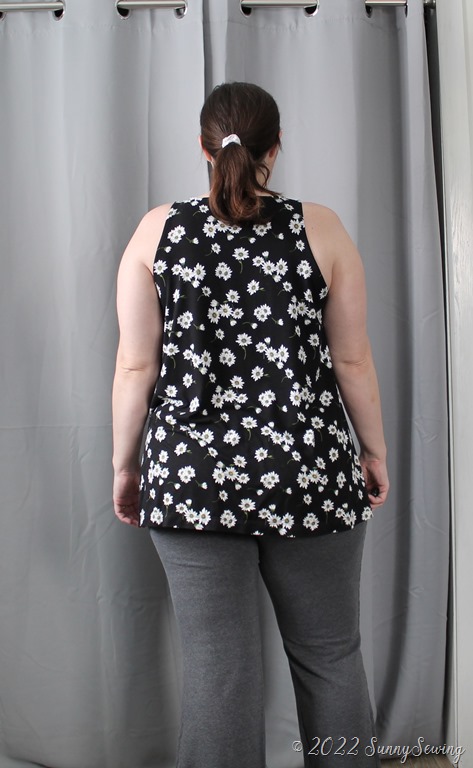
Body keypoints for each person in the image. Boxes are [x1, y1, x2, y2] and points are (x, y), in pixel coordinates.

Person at [112, 82, 389, 768]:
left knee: (218, 668)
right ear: (277, 146)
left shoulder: (156, 231)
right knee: (330, 654)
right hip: (309, 468)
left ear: (203, 148)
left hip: (191, 475)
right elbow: (352, 359)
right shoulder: (321, 228)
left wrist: (126, 466)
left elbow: (135, 366)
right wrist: (373, 451)